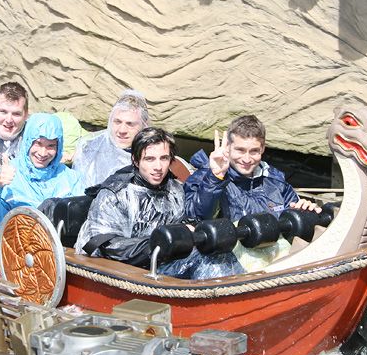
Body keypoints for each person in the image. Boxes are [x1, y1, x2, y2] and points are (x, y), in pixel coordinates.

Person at [75, 127, 242, 279]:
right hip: (119, 272)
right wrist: (160, 243)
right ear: (135, 160)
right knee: (202, 260)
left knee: (219, 253)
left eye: (164, 158)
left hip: (161, 264)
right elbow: (106, 246)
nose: (158, 167)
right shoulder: (115, 195)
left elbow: (195, 216)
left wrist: (215, 176)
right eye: (149, 159)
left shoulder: (174, 188)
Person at [184, 115, 320, 270]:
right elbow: (196, 218)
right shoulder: (206, 176)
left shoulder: (276, 181)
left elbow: (295, 228)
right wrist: (216, 177)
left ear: (263, 149)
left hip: (279, 266)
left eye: (254, 151)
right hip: (228, 268)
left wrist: (305, 212)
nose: (247, 159)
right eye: (240, 150)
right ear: (228, 147)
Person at [0, 113, 84, 233]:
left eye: (51, 146)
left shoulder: (71, 177)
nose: (43, 153)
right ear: (27, 142)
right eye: (38, 143)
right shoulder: (6, 175)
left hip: (62, 243)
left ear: (58, 147)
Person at [72, 90, 149, 188]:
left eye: (130, 124)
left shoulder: (153, 154)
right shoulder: (90, 148)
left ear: (144, 124)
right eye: (117, 122)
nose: (122, 130)